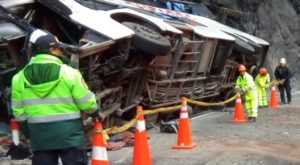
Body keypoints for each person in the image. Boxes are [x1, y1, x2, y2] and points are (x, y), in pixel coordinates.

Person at [11, 29, 102, 165]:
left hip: (40, 137)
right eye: (59, 49)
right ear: (52, 49)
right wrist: (96, 112)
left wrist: (28, 131)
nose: (62, 52)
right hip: (70, 135)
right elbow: (86, 102)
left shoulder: (18, 78)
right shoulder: (70, 73)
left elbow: (18, 111)